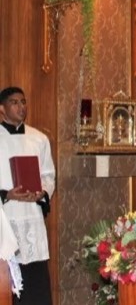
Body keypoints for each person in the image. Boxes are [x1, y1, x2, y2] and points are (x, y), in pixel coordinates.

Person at [0, 87, 55, 305]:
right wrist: (7, 194)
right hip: (6, 220)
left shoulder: (38, 138)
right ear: (2, 109)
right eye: (15, 102)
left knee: (35, 288)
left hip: (32, 221)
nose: (22, 107)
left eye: (23, 102)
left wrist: (42, 193)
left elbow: (49, 176)